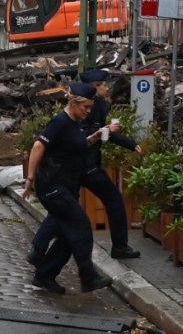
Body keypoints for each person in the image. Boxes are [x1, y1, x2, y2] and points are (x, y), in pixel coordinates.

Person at [27, 71, 141, 262]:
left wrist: (127, 142)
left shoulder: (96, 106)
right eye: (103, 84)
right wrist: (30, 178)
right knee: (112, 200)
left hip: (79, 166)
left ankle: (38, 249)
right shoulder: (84, 108)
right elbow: (79, 135)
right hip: (84, 165)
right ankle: (118, 246)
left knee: (65, 208)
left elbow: (101, 134)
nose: (107, 88)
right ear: (94, 87)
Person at [20, 87, 114, 295]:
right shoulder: (60, 122)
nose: (89, 111)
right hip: (53, 186)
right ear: (74, 104)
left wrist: (96, 136)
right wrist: (30, 180)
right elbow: (37, 147)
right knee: (81, 226)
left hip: (66, 186)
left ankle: (44, 276)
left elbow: (79, 145)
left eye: (91, 106)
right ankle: (88, 277)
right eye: (86, 106)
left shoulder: (75, 125)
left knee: (67, 234)